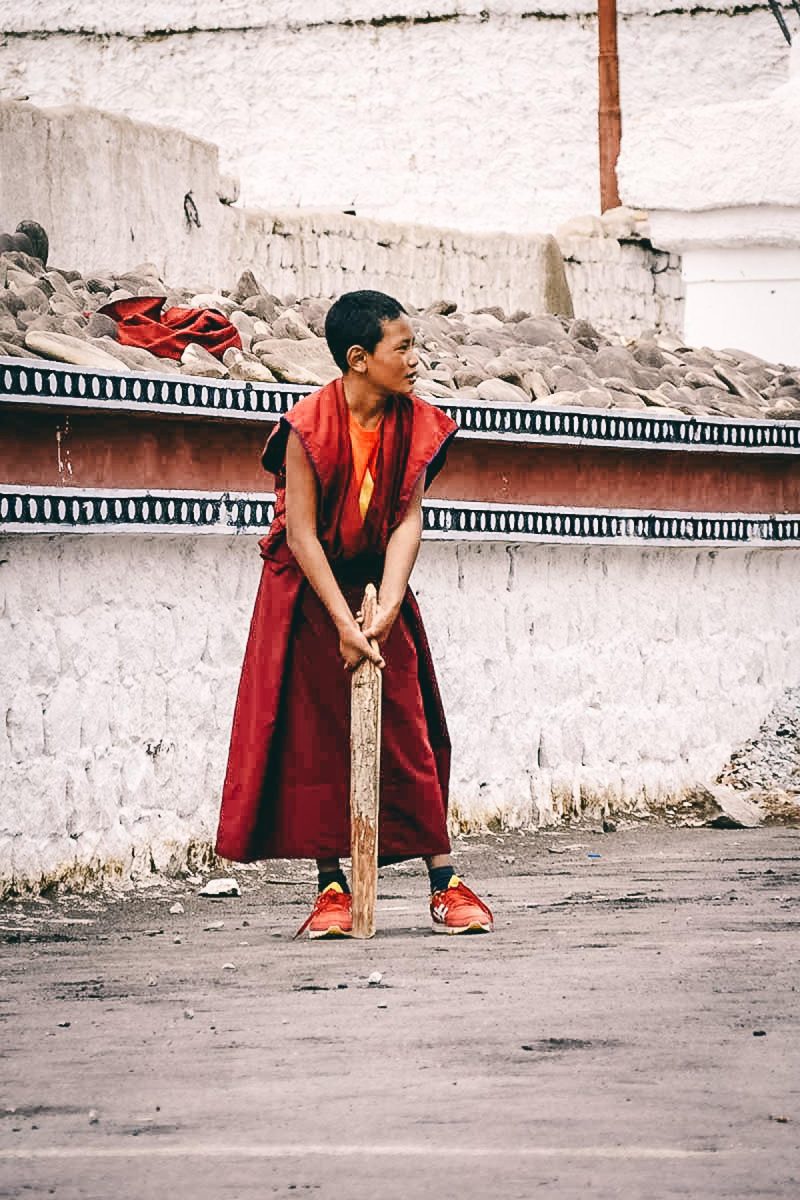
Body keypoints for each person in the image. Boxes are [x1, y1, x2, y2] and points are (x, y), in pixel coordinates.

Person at [215, 290, 493, 938]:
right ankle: (330, 886)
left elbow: (408, 517)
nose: (416, 360)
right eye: (404, 347)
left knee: (409, 727)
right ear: (360, 358)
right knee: (316, 735)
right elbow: (301, 533)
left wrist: (389, 604)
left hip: (378, 582)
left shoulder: (414, 421)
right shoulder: (306, 427)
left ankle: (444, 880)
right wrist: (343, 622)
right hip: (308, 591)